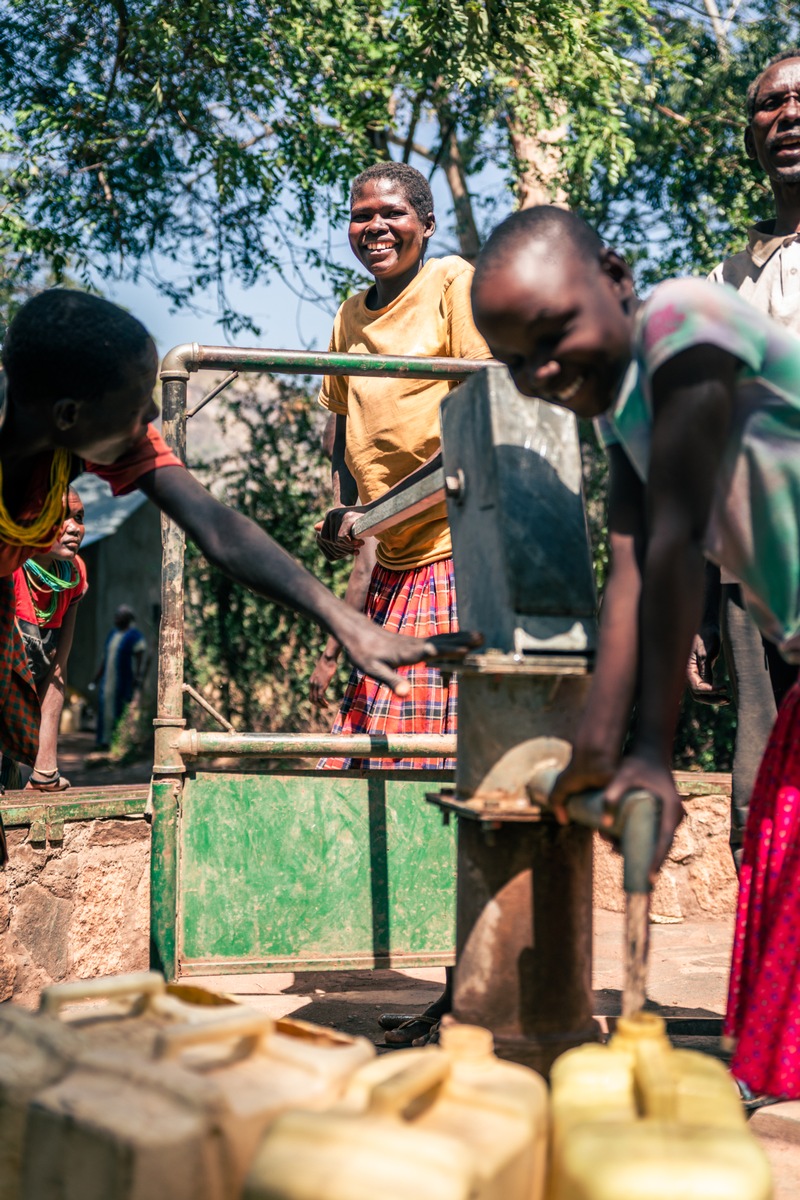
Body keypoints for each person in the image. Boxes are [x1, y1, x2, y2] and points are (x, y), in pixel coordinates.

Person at [469, 203, 800, 1100]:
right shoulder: (622, 414)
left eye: (554, 331)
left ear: (616, 278)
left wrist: (652, 753)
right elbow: (625, 574)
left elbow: (676, 541)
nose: (540, 370)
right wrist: (594, 753)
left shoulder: (683, 322)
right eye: (514, 361)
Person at [0, 288, 474, 867]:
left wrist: (345, 622)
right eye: (137, 406)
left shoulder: (83, 423)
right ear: (69, 416)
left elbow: (218, 527)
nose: (151, 418)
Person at [313, 161, 491, 1045]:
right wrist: (350, 542)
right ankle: (454, 985)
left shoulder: (454, 283)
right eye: (359, 216)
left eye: (391, 213)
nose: (373, 226)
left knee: (449, 769)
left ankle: (476, 987)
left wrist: (371, 513)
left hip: (460, 552)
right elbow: (345, 446)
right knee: (384, 765)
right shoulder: (350, 314)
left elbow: (480, 415)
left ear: (424, 221)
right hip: (393, 567)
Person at [688, 49, 800, 871]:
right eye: (770, 105)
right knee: (765, 789)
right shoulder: (724, 282)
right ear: (751, 135)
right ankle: (776, 995)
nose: (789, 115)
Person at [10, 486, 88, 790]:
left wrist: (45, 769)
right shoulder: (8, 569)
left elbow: (57, 668)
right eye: (61, 518)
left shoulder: (74, 575)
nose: (74, 527)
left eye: (79, 517)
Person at [94, 605, 148, 750]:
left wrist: (138, 675)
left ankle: (117, 743)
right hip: (107, 680)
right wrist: (97, 678)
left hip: (122, 679)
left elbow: (140, 654)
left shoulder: (133, 635)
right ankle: (103, 741)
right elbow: (105, 658)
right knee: (105, 708)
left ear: (126, 618)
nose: (116, 618)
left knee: (120, 707)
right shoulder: (113, 634)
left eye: (119, 616)